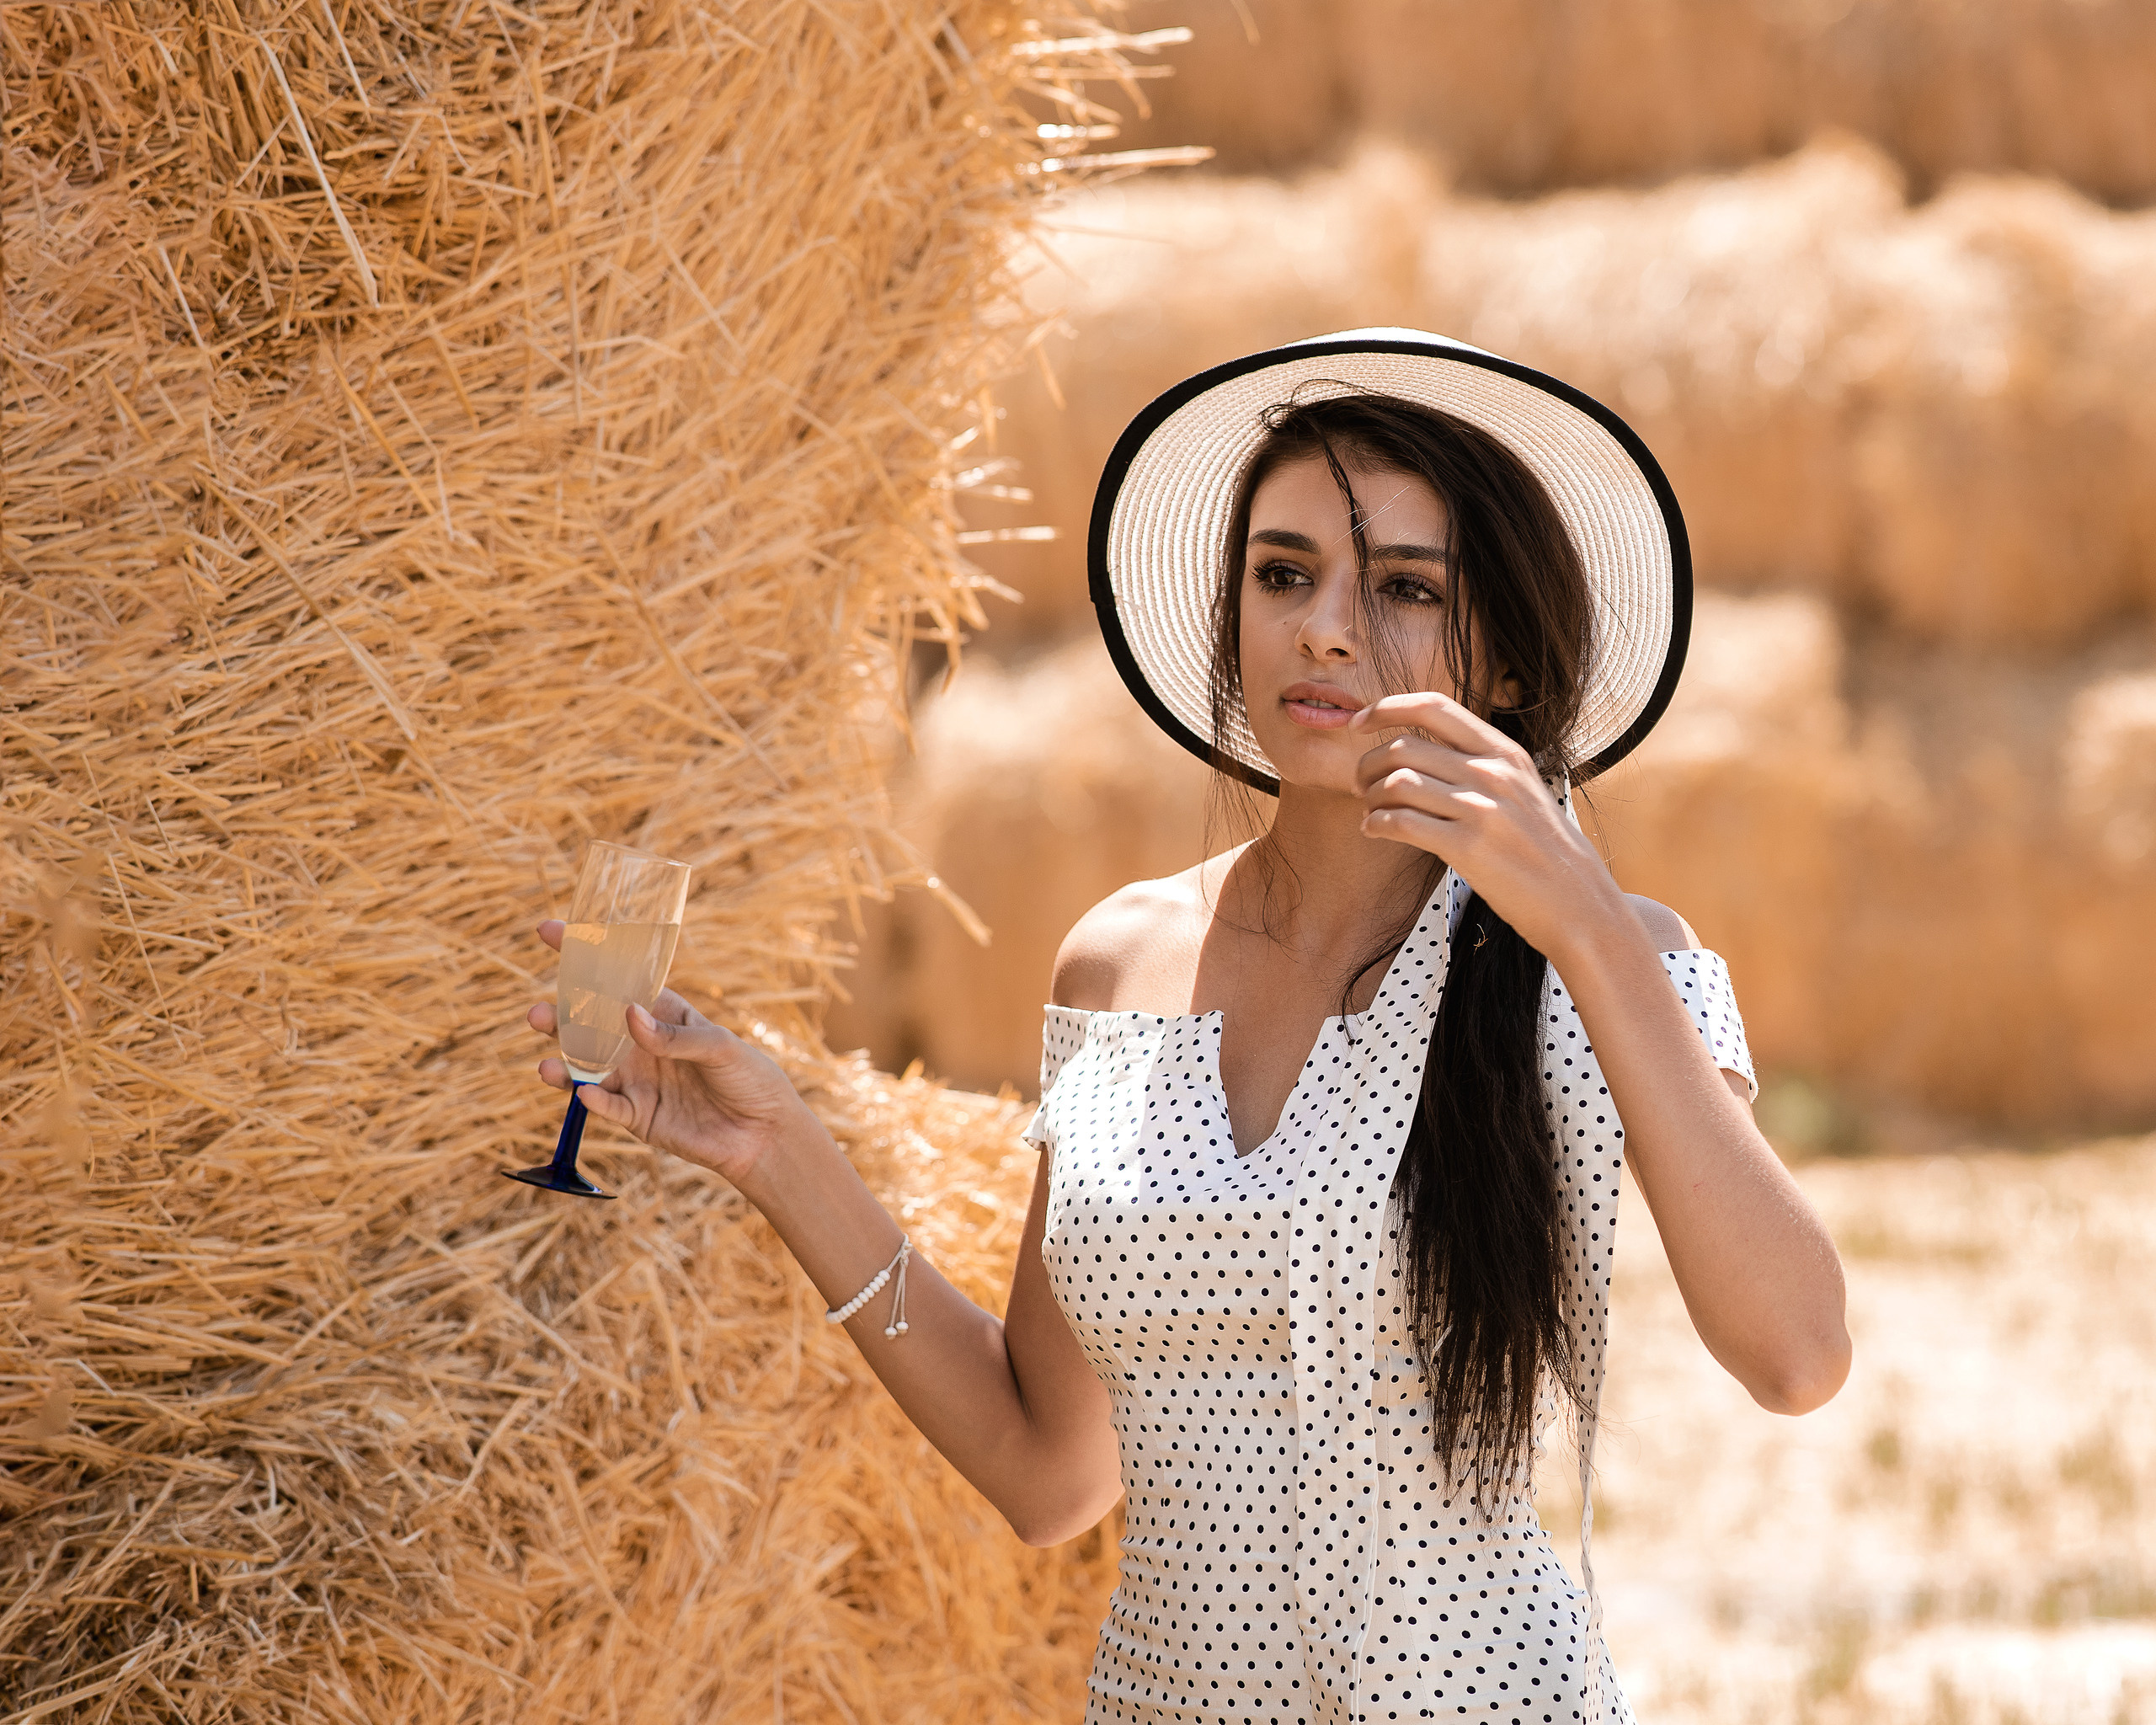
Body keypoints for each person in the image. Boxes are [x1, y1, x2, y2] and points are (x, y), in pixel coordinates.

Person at [527, 331, 1850, 1722]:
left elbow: (1798, 1354)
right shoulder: (1119, 961)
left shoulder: (1602, 963)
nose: (1324, 628)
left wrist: (1583, 920)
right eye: (1283, 574)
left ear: (1508, 666)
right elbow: (1049, 1469)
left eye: (1404, 588)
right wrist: (777, 1152)